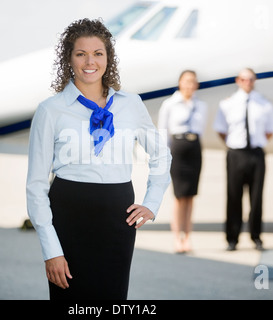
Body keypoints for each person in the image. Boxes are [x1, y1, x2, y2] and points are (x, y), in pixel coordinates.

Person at [26, 18, 171, 300]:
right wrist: (51, 250)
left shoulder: (131, 105)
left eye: (98, 53)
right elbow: (35, 185)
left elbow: (161, 154)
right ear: (69, 59)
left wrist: (152, 203)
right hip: (68, 215)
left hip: (118, 219)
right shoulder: (51, 110)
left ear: (108, 59)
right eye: (80, 54)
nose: (89, 61)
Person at [213, 68, 273, 251]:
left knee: (256, 197)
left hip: (256, 154)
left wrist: (258, 142)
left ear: (254, 80)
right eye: (244, 79)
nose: (247, 83)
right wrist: (233, 143)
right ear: (238, 81)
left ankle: (256, 236)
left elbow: (271, 129)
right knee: (233, 196)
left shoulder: (263, 104)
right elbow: (220, 128)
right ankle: (232, 238)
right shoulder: (227, 104)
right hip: (236, 153)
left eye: (250, 79)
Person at [158, 70, 208, 253]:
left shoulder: (200, 105)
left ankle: (187, 237)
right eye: (186, 82)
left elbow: (201, 128)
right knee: (179, 196)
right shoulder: (170, 104)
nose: (189, 85)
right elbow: (163, 131)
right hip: (178, 149)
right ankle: (177, 237)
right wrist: (164, 155)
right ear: (180, 83)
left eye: (192, 82)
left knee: (191, 196)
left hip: (194, 148)